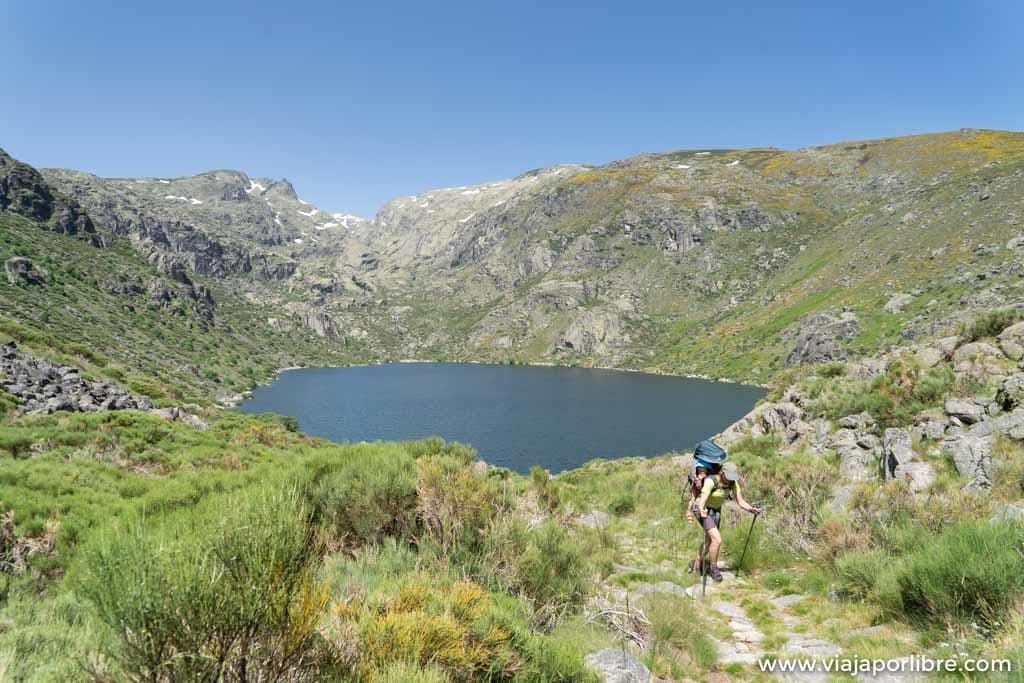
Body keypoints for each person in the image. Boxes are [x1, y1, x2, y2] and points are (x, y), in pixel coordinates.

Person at [694, 461, 759, 582]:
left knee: (709, 540)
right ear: (722, 473)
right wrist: (702, 510)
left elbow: (740, 501)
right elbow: (702, 500)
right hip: (701, 509)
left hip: (715, 511)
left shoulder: (733, 483)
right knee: (717, 540)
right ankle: (714, 568)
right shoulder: (711, 481)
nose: (730, 480)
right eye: (728, 477)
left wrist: (751, 509)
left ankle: (698, 562)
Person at [684, 462, 709, 573]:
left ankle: (697, 561)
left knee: (710, 538)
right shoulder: (696, 482)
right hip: (701, 509)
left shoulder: (710, 479)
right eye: (700, 470)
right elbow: (693, 497)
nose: (702, 472)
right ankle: (698, 562)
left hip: (710, 508)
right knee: (710, 537)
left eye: (704, 470)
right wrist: (689, 511)